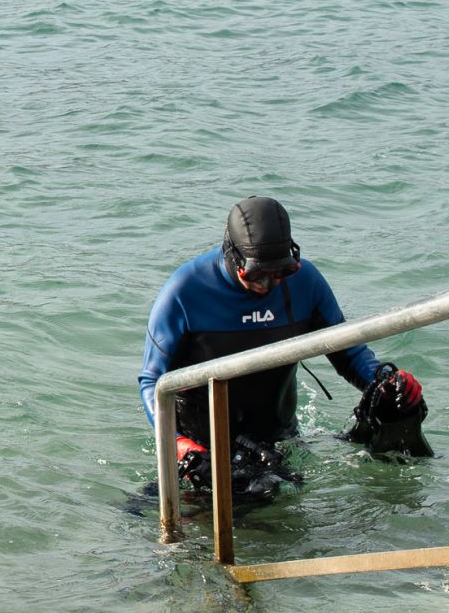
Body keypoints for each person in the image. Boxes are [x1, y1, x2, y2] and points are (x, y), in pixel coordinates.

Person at [138, 197, 425, 492]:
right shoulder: (186, 291)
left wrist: (386, 382)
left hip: (278, 440)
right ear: (232, 256)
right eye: (256, 274)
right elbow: (152, 381)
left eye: (280, 272)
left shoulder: (306, 282)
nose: (267, 285)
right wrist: (178, 444)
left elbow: (349, 352)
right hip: (203, 448)